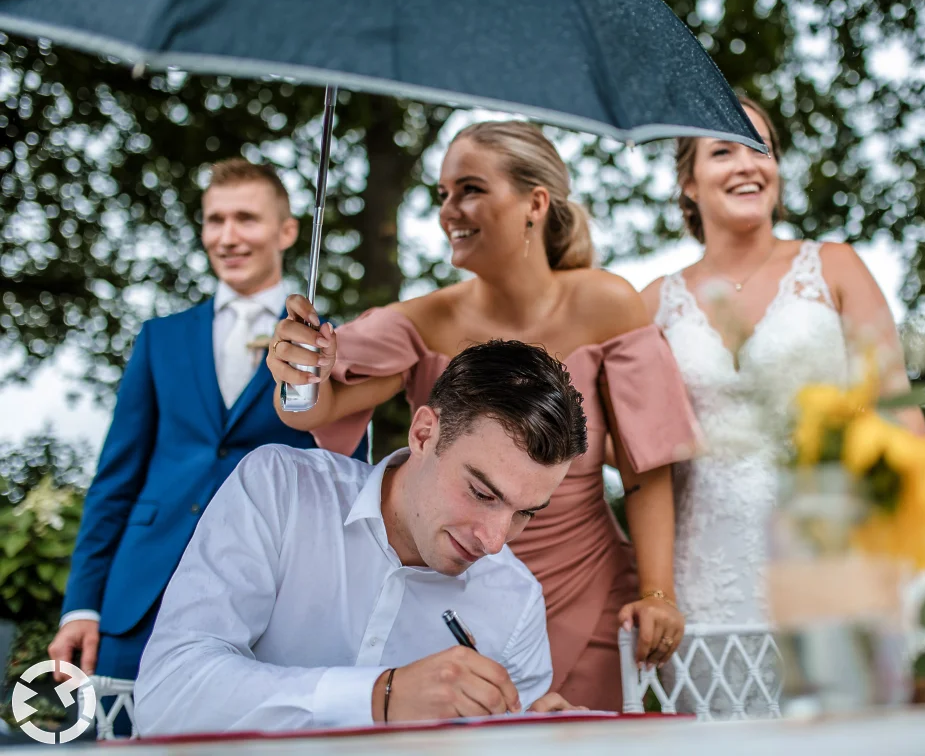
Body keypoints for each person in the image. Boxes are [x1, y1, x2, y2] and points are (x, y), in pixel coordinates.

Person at [266, 121, 699, 710]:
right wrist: (300, 367)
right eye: (442, 194)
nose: (449, 210)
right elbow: (324, 401)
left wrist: (658, 591)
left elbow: (645, 467)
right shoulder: (427, 320)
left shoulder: (608, 304)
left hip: (591, 591)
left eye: (469, 188)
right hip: (458, 601)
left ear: (535, 204)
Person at [642, 98, 925, 714]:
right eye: (723, 149)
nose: (748, 164)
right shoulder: (654, 302)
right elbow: (647, 456)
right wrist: (659, 589)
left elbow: (895, 402)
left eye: (762, 148)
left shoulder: (833, 266)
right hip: (711, 573)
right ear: (687, 182)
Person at [134, 341, 587, 734]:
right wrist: (379, 698)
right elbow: (167, 697)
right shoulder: (281, 489)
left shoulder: (517, 601)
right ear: (425, 433)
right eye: (481, 493)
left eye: (524, 513)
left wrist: (530, 740)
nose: (494, 541)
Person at [50, 159, 366, 691]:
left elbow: (343, 484)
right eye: (214, 220)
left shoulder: (332, 343)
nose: (228, 236)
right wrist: (82, 604)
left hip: (265, 602)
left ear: (288, 231)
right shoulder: (159, 338)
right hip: (138, 598)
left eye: (246, 218)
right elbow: (115, 479)